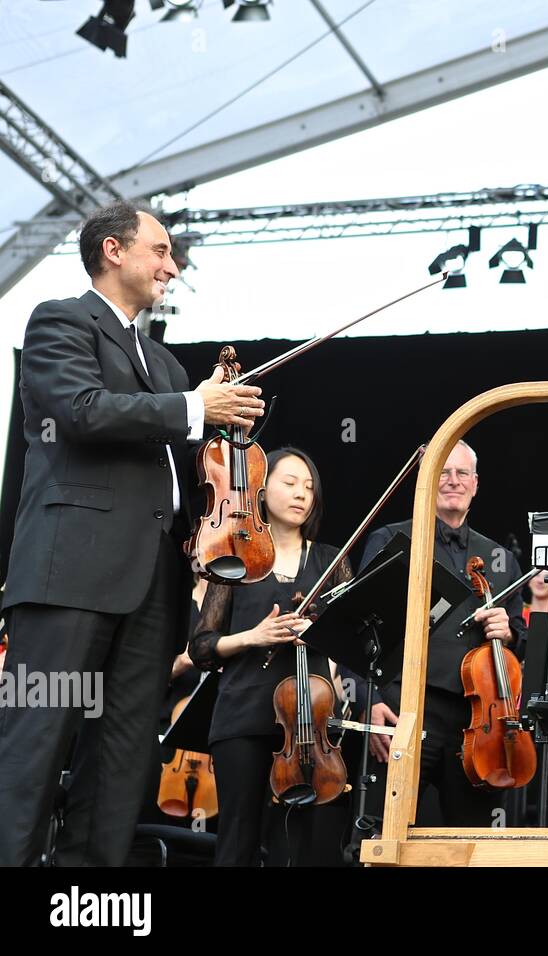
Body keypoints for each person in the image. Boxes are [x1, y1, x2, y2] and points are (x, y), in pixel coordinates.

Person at [0, 200, 264, 866]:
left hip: (152, 586)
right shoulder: (62, 320)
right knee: (35, 743)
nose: (172, 266)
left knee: (120, 763)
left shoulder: (169, 367)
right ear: (113, 250)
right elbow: (83, 412)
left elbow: (176, 459)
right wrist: (192, 408)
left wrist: (222, 433)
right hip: (70, 577)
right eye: (161, 250)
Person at [188, 448, 351, 866]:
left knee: (299, 844)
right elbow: (202, 647)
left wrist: (322, 636)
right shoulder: (236, 556)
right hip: (243, 714)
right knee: (238, 837)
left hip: (308, 728)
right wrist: (253, 636)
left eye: (309, 487)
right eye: (290, 483)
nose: (302, 494)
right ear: (261, 491)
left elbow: (355, 642)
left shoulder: (331, 561)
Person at [360, 439, 525, 827]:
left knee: (466, 841)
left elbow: (521, 640)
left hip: (477, 722)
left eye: (462, 473)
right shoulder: (392, 540)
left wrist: (509, 634)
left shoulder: (501, 558)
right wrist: (367, 698)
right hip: (405, 708)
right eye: (443, 472)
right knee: (388, 831)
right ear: (428, 480)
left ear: (476, 483)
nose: (453, 481)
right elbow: (360, 624)